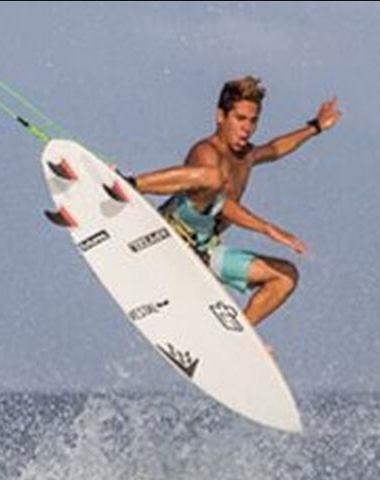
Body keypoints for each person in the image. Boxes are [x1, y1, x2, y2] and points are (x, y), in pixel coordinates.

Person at [123, 76, 340, 326]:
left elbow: (277, 148)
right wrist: (269, 229)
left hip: (205, 250)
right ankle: (130, 185)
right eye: (240, 119)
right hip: (172, 231)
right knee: (214, 178)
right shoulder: (206, 151)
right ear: (221, 117)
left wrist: (316, 127)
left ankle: (238, 336)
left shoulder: (247, 157)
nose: (247, 128)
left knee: (285, 276)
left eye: (253, 121)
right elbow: (223, 204)